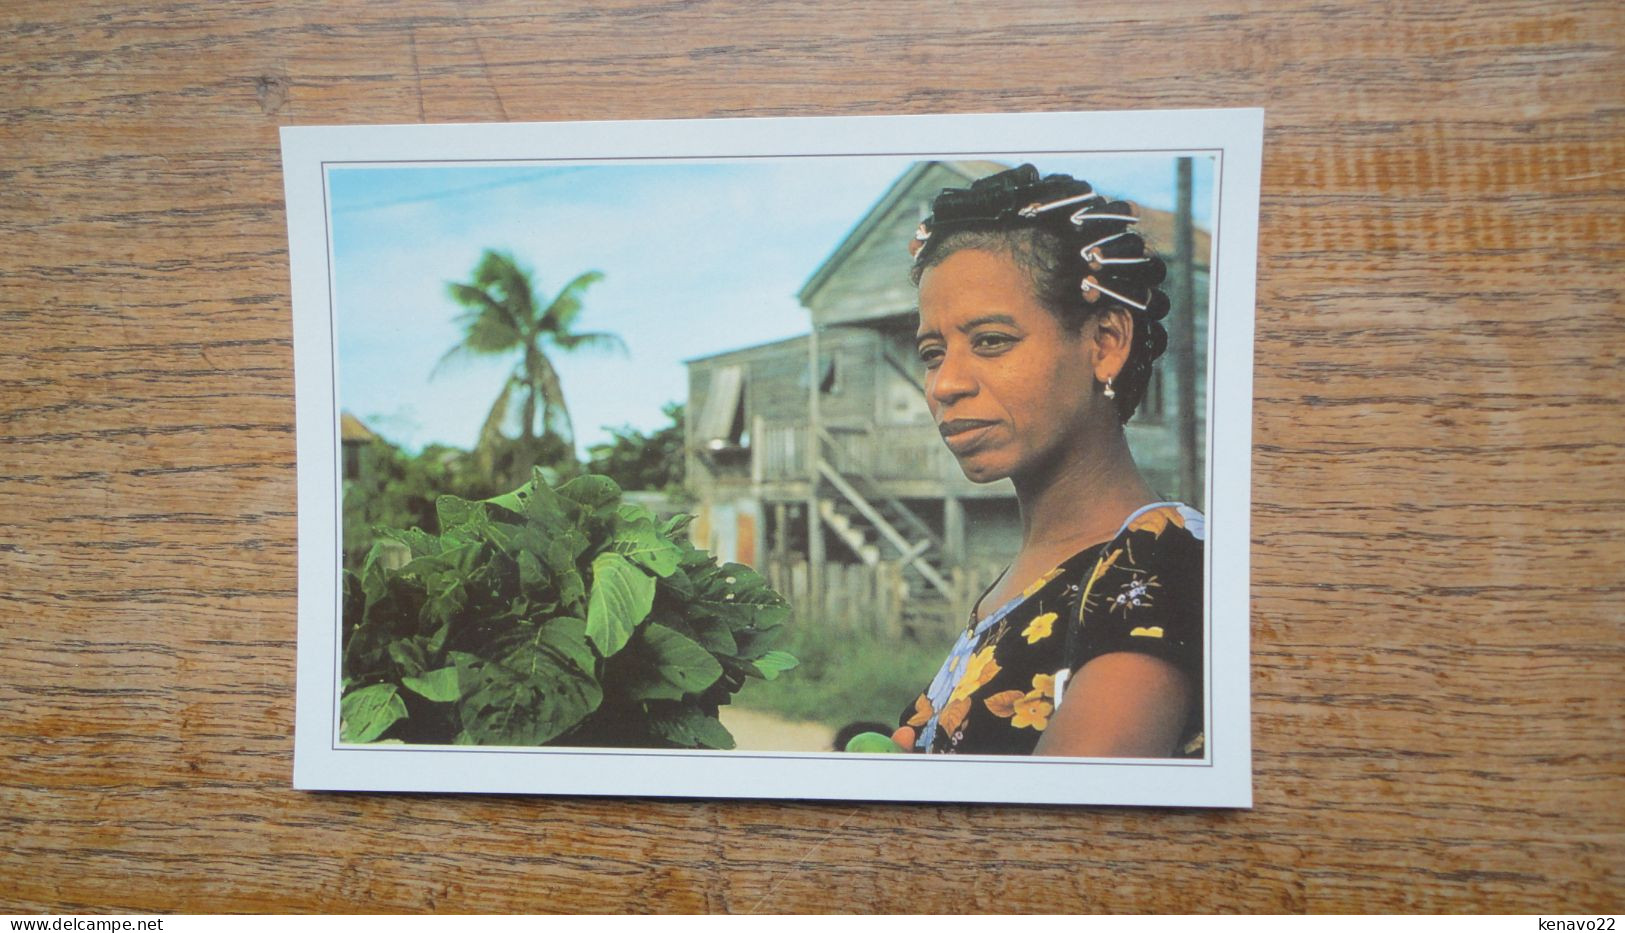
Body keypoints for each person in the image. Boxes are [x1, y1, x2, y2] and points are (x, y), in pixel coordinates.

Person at [892, 164, 1205, 758]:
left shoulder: (1160, 567)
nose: (945, 384)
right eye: (933, 352)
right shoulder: (1035, 575)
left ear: (1104, 343)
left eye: (991, 341)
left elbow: (1062, 838)